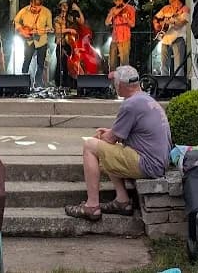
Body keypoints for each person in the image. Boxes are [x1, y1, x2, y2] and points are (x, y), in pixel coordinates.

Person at [65, 65, 171, 221]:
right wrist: (109, 133)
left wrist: (104, 136)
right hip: (157, 161)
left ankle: (92, 206)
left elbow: (110, 139)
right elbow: (120, 135)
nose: (113, 84)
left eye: (114, 81)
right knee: (111, 149)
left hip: (147, 163)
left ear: (121, 85)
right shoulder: (145, 99)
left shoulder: (130, 105)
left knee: (89, 146)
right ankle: (122, 201)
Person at [14, 0, 53, 88]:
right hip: (29, 41)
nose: (35, 9)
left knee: (40, 63)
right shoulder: (24, 11)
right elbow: (16, 22)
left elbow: (49, 27)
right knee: (26, 60)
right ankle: (24, 82)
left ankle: (38, 83)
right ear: (30, 4)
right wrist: (22, 31)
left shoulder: (47, 12)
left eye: (37, 7)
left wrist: (41, 30)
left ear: (41, 6)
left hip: (41, 40)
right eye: (33, 7)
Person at [153, 0, 190, 78]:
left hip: (178, 38)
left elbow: (183, 22)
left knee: (178, 64)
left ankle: (178, 84)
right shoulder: (166, 8)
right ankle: (164, 81)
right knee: (164, 63)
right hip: (165, 38)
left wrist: (172, 22)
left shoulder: (185, 9)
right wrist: (157, 25)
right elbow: (155, 18)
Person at [53, 0, 85, 88]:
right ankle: (58, 84)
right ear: (60, 7)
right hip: (61, 43)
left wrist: (78, 10)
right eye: (63, 5)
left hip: (70, 44)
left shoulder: (71, 17)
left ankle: (69, 84)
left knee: (68, 65)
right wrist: (69, 30)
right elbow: (58, 31)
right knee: (60, 65)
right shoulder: (57, 18)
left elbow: (81, 22)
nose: (65, 6)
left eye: (66, 5)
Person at [105, 0, 136, 70]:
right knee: (112, 62)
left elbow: (132, 24)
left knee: (124, 62)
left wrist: (126, 18)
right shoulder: (113, 9)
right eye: (115, 0)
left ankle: (124, 81)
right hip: (115, 37)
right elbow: (107, 23)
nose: (117, 2)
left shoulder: (130, 8)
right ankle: (113, 81)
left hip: (125, 37)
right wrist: (111, 15)